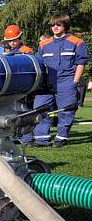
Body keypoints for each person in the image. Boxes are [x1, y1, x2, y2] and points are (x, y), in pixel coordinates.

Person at [29, 14, 88, 147]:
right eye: (52, 25)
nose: (55, 27)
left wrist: (74, 82)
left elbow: (81, 63)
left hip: (66, 82)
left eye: (58, 24)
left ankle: (61, 138)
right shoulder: (44, 44)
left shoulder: (77, 42)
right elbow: (40, 64)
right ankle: (41, 139)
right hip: (46, 83)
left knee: (66, 110)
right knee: (40, 109)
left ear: (65, 25)